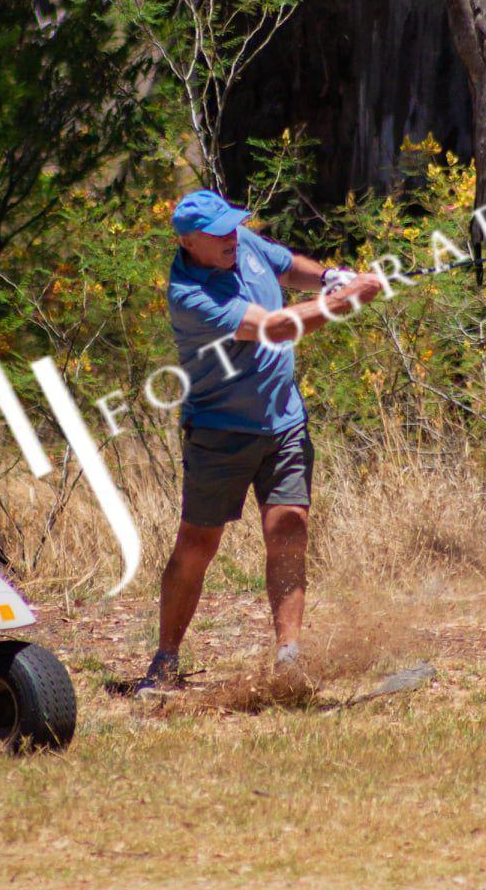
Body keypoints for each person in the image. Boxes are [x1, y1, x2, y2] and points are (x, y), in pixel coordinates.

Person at [136, 190, 383, 696]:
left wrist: (328, 277)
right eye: (217, 233)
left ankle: (289, 659)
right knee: (198, 545)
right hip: (219, 431)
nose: (231, 237)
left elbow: (287, 266)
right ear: (188, 242)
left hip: (284, 423)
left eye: (232, 227)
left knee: (289, 528)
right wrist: (341, 303)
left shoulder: (238, 241)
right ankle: (166, 660)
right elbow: (272, 328)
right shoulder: (189, 293)